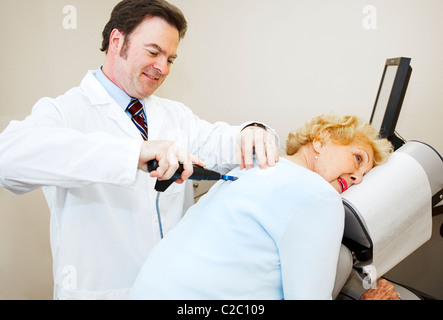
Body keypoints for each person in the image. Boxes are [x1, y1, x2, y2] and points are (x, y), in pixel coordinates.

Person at [0, 0, 279, 299]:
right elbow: (9, 160)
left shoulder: (176, 116)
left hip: (173, 291)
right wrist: (133, 153)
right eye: (153, 51)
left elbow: (223, 142)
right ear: (117, 41)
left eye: (170, 59)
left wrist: (255, 132)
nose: (162, 67)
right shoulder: (67, 111)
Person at [129, 114, 394, 300]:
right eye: (358, 158)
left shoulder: (252, 169)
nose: (357, 177)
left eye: (364, 175)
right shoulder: (319, 195)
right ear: (321, 139)